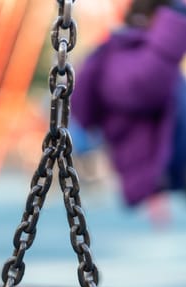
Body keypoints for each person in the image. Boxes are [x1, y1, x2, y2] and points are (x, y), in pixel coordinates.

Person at [71, 0, 186, 206]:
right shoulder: (126, 55)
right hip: (153, 165)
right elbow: (144, 85)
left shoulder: (142, 54)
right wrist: (178, 16)